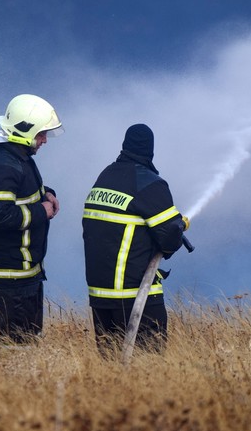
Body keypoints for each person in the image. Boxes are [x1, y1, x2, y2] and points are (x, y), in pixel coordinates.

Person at [82, 123, 189, 355]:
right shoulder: (150, 183)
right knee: (147, 371)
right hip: (136, 295)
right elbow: (169, 238)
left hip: (101, 297)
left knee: (110, 370)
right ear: (150, 150)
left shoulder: (105, 176)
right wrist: (180, 226)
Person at [0, 94, 63, 346]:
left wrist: (47, 193)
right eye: (41, 134)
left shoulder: (18, 157)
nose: (45, 140)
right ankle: (8, 385)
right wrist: (41, 211)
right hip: (9, 273)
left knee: (29, 340)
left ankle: (23, 384)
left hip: (23, 271)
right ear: (25, 130)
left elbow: (23, 191)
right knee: (17, 343)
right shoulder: (2, 166)